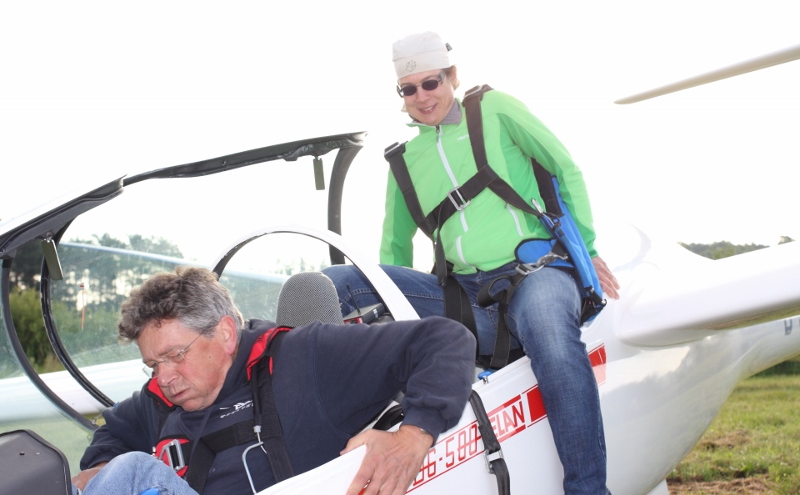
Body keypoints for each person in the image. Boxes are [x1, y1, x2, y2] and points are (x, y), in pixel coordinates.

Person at [323, 31, 620, 495]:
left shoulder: (495, 108)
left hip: (536, 273)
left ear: (452, 77)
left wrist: (588, 248)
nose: (422, 96)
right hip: (465, 298)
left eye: (432, 83)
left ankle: (588, 490)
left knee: (551, 336)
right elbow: (392, 250)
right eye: (409, 89)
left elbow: (566, 169)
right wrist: (393, 331)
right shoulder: (403, 161)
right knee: (335, 282)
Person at [71, 266, 475, 495]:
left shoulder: (304, 358)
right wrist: (100, 468)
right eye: (153, 364)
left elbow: (444, 340)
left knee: (134, 472)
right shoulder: (161, 397)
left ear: (225, 334)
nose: (164, 377)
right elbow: (114, 432)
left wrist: (412, 439)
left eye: (176, 355)